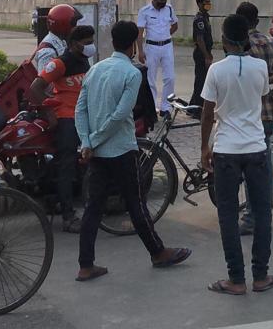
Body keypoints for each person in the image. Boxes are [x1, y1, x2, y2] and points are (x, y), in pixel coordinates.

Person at [74, 21, 191, 282]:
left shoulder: (95, 69)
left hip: (97, 153)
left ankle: (85, 265)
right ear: (133, 45)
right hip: (121, 150)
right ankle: (158, 252)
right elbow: (120, 115)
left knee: (93, 208)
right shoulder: (132, 73)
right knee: (136, 203)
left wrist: (87, 142)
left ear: (113, 41)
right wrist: (94, 140)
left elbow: (80, 109)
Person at [201, 14, 273, 295]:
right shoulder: (260, 68)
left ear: (224, 40)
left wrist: (204, 147)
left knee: (227, 214)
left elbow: (208, 114)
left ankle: (236, 279)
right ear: (247, 39)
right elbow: (261, 96)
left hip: (226, 150)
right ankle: (261, 276)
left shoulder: (216, 70)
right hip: (256, 147)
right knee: (262, 212)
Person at [27, 25, 95, 232]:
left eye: (92, 42)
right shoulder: (59, 63)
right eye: (87, 43)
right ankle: (68, 217)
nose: (91, 46)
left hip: (83, 117)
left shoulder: (83, 60)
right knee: (67, 167)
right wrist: (49, 112)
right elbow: (35, 88)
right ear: (74, 44)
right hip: (67, 119)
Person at [235, 1, 273, 235]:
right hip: (267, 112)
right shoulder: (269, 41)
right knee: (264, 168)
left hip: (247, 114)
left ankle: (252, 217)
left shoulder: (242, 45)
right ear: (257, 21)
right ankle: (264, 212)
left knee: (249, 169)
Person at [136, 0, 177, 115]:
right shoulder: (144, 11)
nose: (162, 3)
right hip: (151, 47)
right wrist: (140, 51)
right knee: (150, 79)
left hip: (167, 46)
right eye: (160, 1)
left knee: (170, 77)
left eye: (164, 0)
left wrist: (165, 35)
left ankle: (166, 107)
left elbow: (175, 25)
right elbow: (139, 33)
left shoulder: (169, 9)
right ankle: (152, 108)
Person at [34, 4, 81, 77]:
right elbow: (44, 81)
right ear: (63, 25)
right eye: (73, 24)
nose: (75, 27)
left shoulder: (62, 41)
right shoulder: (48, 52)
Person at [189, 0, 214, 118]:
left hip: (205, 51)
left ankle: (192, 106)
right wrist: (206, 56)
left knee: (201, 80)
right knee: (201, 82)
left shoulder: (205, 17)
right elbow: (200, 39)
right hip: (201, 53)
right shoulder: (199, 19)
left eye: (209, 2)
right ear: (199, 4)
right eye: (206, 2)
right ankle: (197, 110)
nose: (208, 4)